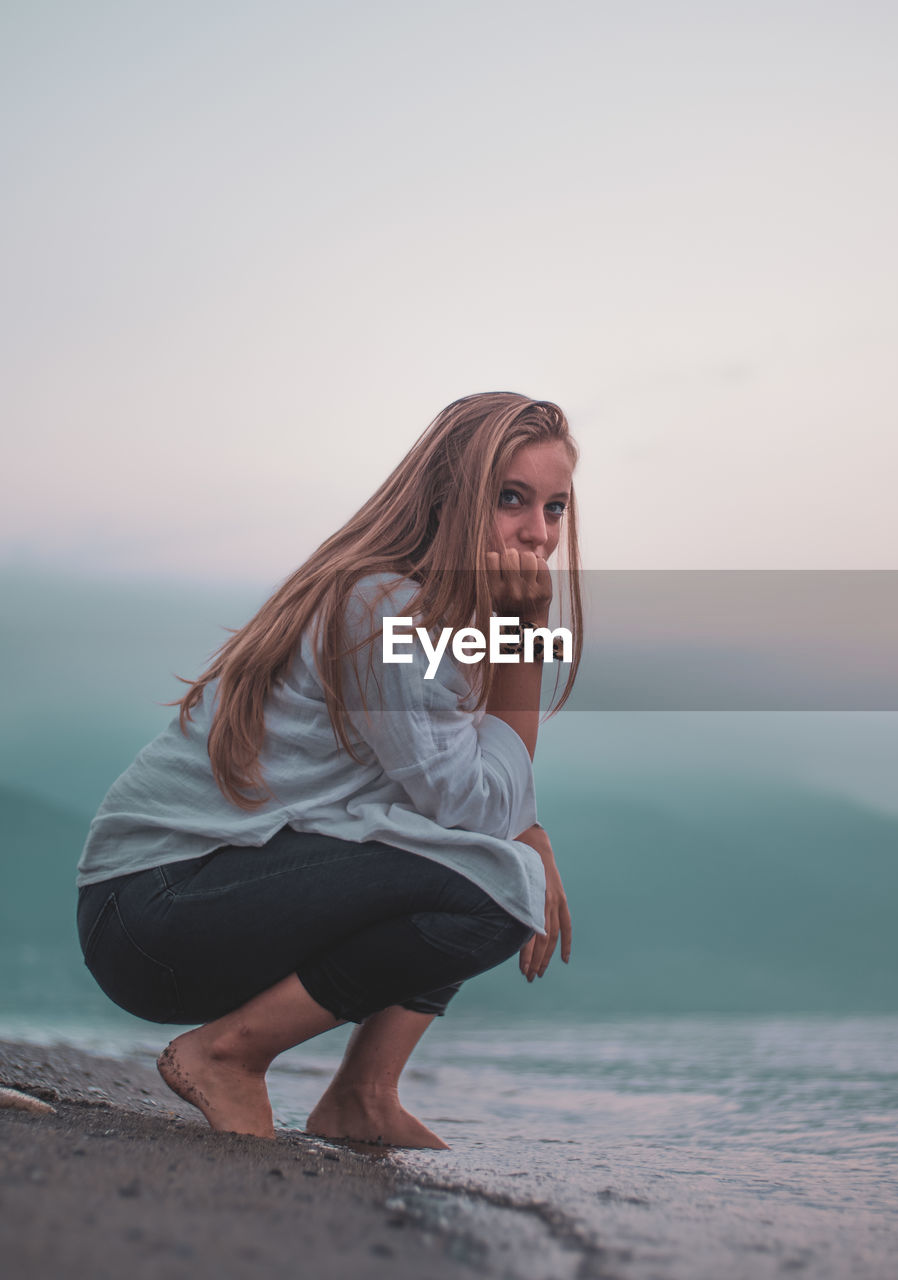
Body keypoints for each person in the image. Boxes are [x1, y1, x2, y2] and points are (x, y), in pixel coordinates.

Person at [76, 391, 582, 1146]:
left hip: (178, 903)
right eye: (511, 499)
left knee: (492, 861)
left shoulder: (422, 614)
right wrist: (524, 632)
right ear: (449, 496)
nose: (536, 534)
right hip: (154, 908)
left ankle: (363, 1095)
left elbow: (462, 795)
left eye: (554, 508)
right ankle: (226, 1055)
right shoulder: (386, 608)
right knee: (498, 882)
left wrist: (525, 826)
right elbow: (470, 808)